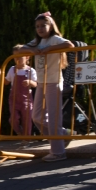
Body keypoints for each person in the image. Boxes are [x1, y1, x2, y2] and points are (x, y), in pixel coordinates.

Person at [16, 12, 73, 162]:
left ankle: (58, 152)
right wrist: (32, 50)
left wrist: (51, 49)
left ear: (51, 26)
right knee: (37, 116)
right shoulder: (36, 42)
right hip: (42, 82)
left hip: (53, 81)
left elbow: (69, 45)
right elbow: (18, 50)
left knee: (53, 117)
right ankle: (63, 134)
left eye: (43, 25)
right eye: (37, 26)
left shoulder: (54, 39)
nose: (40, 29)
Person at [4, 45, 37, 138]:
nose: (17, 58)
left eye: (19, 56)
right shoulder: (12, 69)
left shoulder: (31, 70)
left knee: (27, 119)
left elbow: (35, 84)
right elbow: (6, 82)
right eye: (15, 56)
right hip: (14, 99)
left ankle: (27, 138)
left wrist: (30, 82)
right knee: (13, 118)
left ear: (27, 57)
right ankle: (19, 131)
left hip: (26, 99)